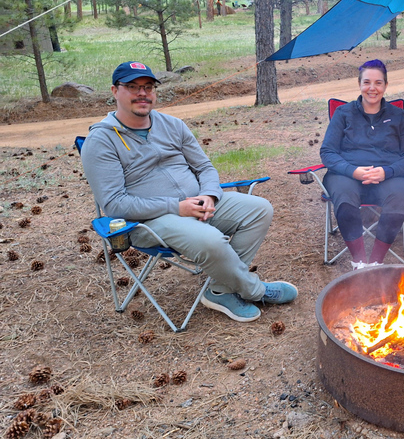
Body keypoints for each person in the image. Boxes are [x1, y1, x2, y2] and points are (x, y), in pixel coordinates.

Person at [81, 61, 297, 323]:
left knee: (259, 209)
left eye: (148, 87)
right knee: (211, 241)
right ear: (115, 91)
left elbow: (204, 167)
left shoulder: (172, 125)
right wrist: (177, 206)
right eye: (132, 87)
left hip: (197, 203)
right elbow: (115, 204)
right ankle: (255, 290)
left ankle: (221, 289)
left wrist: (209, 195)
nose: (142, 93)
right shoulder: (101, 140)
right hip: (149, 219)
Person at [320, 59, 404, 270]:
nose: (372, 88)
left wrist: (387, 172)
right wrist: (353, 171)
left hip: (387, 176)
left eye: (378, 83)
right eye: (367, 82)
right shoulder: (343, 113)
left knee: (399, 200)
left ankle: (375, 262)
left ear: (385, 85)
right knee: (345, 199)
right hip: (347, 174)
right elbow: (327, 152)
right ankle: (359, 262)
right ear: (359, 84)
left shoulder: (398, 115)